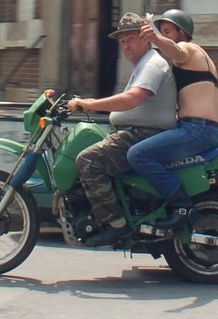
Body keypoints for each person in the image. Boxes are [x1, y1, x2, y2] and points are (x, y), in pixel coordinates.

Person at [65, 13, 177, 246]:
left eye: (131, 39)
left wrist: (90, 104)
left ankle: (115, 224)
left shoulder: (153, 63)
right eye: (122, 41)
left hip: (142, 135)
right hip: (133, 132)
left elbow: (132, 99)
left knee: (88, 160)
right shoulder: (142, 66)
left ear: (145, 39)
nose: (126, 45)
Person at [124, 9, 218, 231]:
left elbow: (177, 51)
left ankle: (182, 206)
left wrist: (154, 38)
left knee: (138, 154)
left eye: (168, 31)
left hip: (199, 129)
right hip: (197, 128)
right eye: (162, 31)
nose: (164, 35)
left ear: (183, 33)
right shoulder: (187, 61)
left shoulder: (190, 49)